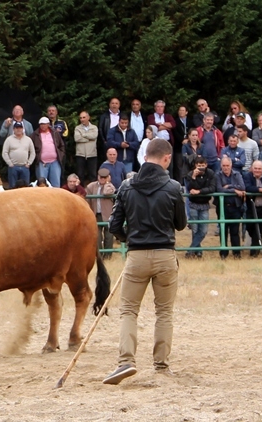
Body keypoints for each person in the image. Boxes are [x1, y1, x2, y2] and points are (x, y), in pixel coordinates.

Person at [104, 138, 187, 385]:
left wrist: (129, 239)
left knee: (129, 310)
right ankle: (161, 365)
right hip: (165, 255)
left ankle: (126, 362)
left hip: (137, 256)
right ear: (166, 158)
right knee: (164, 312)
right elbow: (181, 224)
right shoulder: (173, 187)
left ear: (145, 157)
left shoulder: (127, 187)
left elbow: (114, 225)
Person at [184, 156, 216, 258]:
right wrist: (193, 177)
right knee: (195, 229)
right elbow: (190, 188)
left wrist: (199, 191)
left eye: (203, 165)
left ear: (206, 165)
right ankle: (198, 251)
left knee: (203, 231)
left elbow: (212, 188)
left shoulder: (210, 173)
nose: (201, 168)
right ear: (195, 166)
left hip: (205, 204)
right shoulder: (190, 174)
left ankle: (191, 250)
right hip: (193, 204)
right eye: (199, 166)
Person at [215, 157, 246, 259]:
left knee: (235, 231)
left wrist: (228, 186)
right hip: (222, 207)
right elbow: (219, 189)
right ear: (221, 166)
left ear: (231, 165)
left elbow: (242, 187)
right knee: (223, 231)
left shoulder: (237, 174)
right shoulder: (217, 175)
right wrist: (234, 190)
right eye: (223, 166)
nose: (225, 168)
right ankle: (223, 254)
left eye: (227, 165)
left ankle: (237, 254)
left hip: (235, 207)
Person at [243, 160, 262, 257]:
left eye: (259, 169)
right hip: (250, 208)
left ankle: (254, 253)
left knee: (259, 230)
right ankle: (255, 248)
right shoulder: (247, 176)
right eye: (255, 168)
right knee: (249, 227)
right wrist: (261, 189)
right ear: (252, 168)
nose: (257, 170)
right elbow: (247, 187)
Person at [86, 168, 115, 259]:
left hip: (108, 214)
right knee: (97, 236)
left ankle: (108, 255)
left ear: (108, 177)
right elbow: (87, 200)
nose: (102, 179)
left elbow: (107, 193)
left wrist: (107, 183)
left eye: (104, 177)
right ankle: (99, 255)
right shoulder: (91, 186)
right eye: (101, 177)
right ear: (98, 176)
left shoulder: (110, 186)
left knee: (109, 235)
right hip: (95, 214)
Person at [30, 117, 65, 187]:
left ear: (48, 124)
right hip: (42, 163)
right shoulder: (34, 135)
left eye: (44, 124)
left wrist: (61, 154)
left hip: (55, 162)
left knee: (56, 184)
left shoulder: (55, 133)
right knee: (41, 184)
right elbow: (30, 148)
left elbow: (62, 145)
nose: (43, 126)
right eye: (41, 124)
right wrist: (37, 158)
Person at [2, 122, 35, 188]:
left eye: (20, 128)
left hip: (25, 167)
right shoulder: (9, 139)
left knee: (25, 187)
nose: (18, 130)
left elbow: (32, 152)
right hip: (13, 167)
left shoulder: (28, 139)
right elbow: (4, 152)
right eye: (16, 128)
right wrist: (10, 163)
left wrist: (29, 163)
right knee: (13, 187)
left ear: (23, 129)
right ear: (13, 129)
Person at [74, 111, 99, 184]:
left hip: (92, 154)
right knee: (80, 174)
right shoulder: (77, 128)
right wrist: (89, 138)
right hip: (80, 154)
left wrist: (83, 135)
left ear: (88, 118)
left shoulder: (94, 127)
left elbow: (94, 136)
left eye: (84, 117)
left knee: (92, 175)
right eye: (81, 118)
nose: (82, 119)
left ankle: (93, 192)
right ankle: (80, 192)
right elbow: (77, 138)